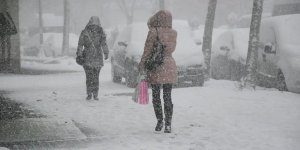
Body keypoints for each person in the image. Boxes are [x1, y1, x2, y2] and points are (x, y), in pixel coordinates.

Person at [139, 10, 177, 133]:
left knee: (156, 96)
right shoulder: (173, 33)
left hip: (156, 66)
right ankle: (168, 124)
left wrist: (142, 64)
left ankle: (160, 121)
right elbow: (170, 49)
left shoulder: (153, 32)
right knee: (168, 96)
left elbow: (147, 50)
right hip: (169, 65)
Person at [76, 16, 109, 100]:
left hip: (89, 57)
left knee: (90, 77)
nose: (94, 26)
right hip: (95, 57)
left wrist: (79, 54)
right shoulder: (100, 32)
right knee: (94, 77)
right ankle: (94, 94)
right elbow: (104, 44)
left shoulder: (85, 32)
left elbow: (80, 45)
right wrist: (106, 53)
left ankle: (91, 93)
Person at [0, 0, 17, 71]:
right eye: (5, 5)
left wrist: (12, 30)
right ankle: (4, 62)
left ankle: (7, 61)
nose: (7, 7)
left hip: (7, 33)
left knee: (8, 48)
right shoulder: (1, 15)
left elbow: (12, 24)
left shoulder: (7, 14)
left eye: (7, 6)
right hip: (4, 34)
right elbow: (3, 25)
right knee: (3, 48)